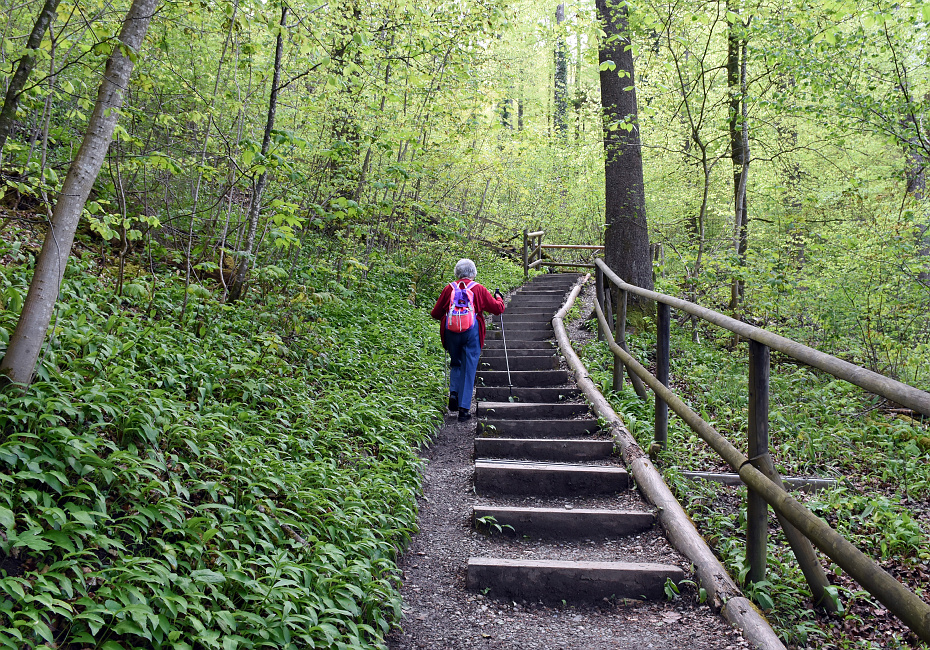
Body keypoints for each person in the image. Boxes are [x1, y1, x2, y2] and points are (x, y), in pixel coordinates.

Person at [431, 259, 505, 421]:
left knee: (456, 362)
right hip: (473, 331)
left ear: (457, 273)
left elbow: (435, 313)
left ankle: (454, 393)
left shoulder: (449, 288)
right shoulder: (478, 289)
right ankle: (464, 410)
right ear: (473, 272)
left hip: (451, 331)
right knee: (469, 366)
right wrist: (499, 298)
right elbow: (497, 309)